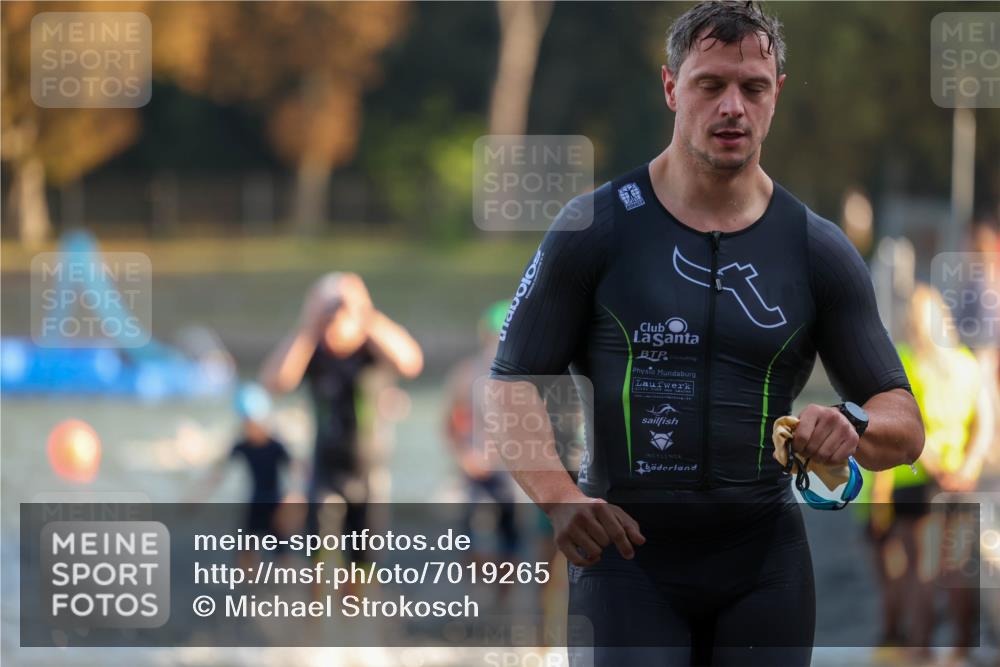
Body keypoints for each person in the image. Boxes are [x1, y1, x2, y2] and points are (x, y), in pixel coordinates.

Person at [486, 2, 924, 666]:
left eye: (752, 87)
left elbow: (906, 423)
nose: (732, 107)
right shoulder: (596, 228)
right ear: (670, 88)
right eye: (710, 84)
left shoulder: (817, 250)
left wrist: (851, 422)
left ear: (775, 93)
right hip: (625, 560)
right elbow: (511, 381)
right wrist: (558, 496)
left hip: (764, 565)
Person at [866, 284, 992, 666]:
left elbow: (904, 423)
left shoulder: (903, 361)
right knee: (955, 569)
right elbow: (984, 423)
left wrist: (930, 465)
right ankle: (960, 649)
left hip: (913, 480)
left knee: (918, 573)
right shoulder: (965, 363)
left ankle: (917, 650)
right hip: (958, 481)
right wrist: (966, 468)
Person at [260, 272, 423, 564]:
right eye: (328, 313)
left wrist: (364, 312)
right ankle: (317, 609)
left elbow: (410, 362)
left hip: (369, 471)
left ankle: (356, 606)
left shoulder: (372, 351)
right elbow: (275, 382)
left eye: (340, 312)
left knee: (364, 562)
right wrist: (309, 325)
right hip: (325, 469)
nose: (335, 321)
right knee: (319, 558)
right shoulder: (313, 352)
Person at [444, 301, 523, 565]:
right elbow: (450, 422)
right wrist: (465, 456)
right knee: (469, 529)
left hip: (508, 467)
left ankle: (503, 593)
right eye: (494, 336)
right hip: (475, 464)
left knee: (511, 531)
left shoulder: (523, 376)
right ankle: (475, 587)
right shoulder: (466, 374)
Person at [190, 383, 296, 569]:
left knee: (282, 552)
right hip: (255, 503)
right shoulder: (242, 445)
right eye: (245, 422)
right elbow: (218, 473)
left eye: (251, 422)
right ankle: (250, 590)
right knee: (246, 549)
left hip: (276, 504)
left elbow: (297, 470)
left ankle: (286, 589)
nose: (248, 427)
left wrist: (294, 497)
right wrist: (197, 497)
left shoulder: (276, 445)